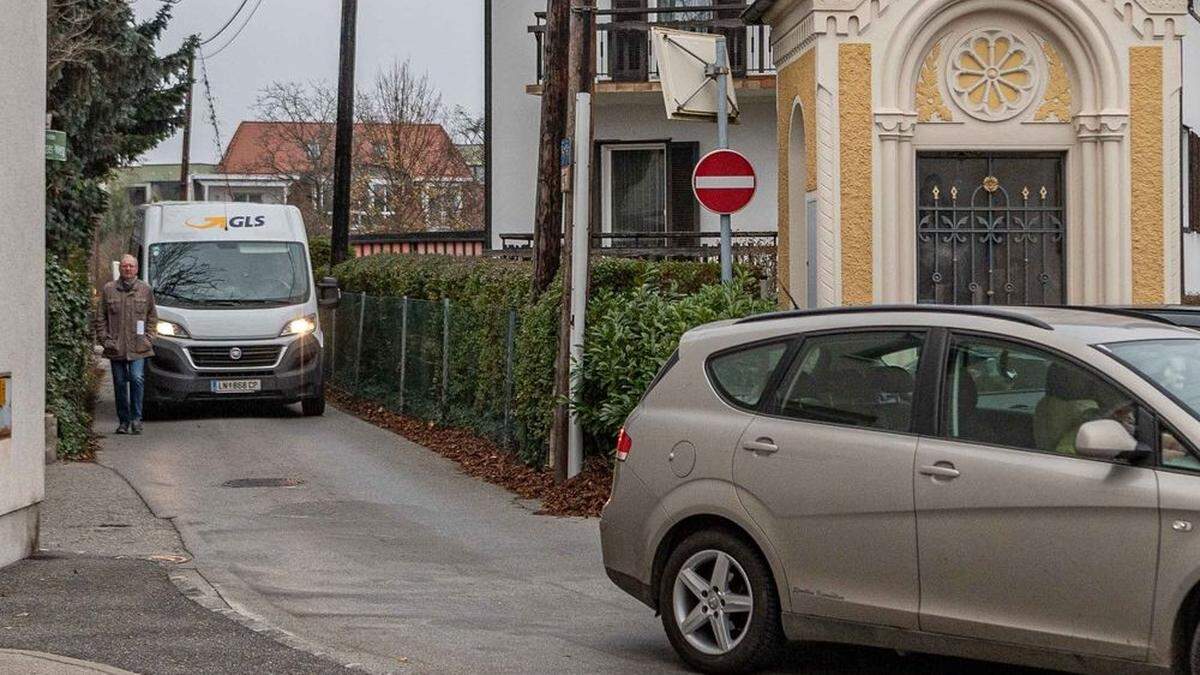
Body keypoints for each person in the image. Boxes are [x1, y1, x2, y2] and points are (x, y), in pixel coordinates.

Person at [95, 254, 157, 435]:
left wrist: (149, 338)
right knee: (120, 383)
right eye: (124, 266)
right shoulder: (109, 290)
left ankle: (136, 419)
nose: (128, 269)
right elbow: (100, 318)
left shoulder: (146, 290)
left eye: (131, 266)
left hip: (139, 347)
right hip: (116, 347)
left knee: (137, 379)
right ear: (120, 269)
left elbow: (152, 316)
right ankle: (123, 421)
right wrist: (105, 340)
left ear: (136, 269)